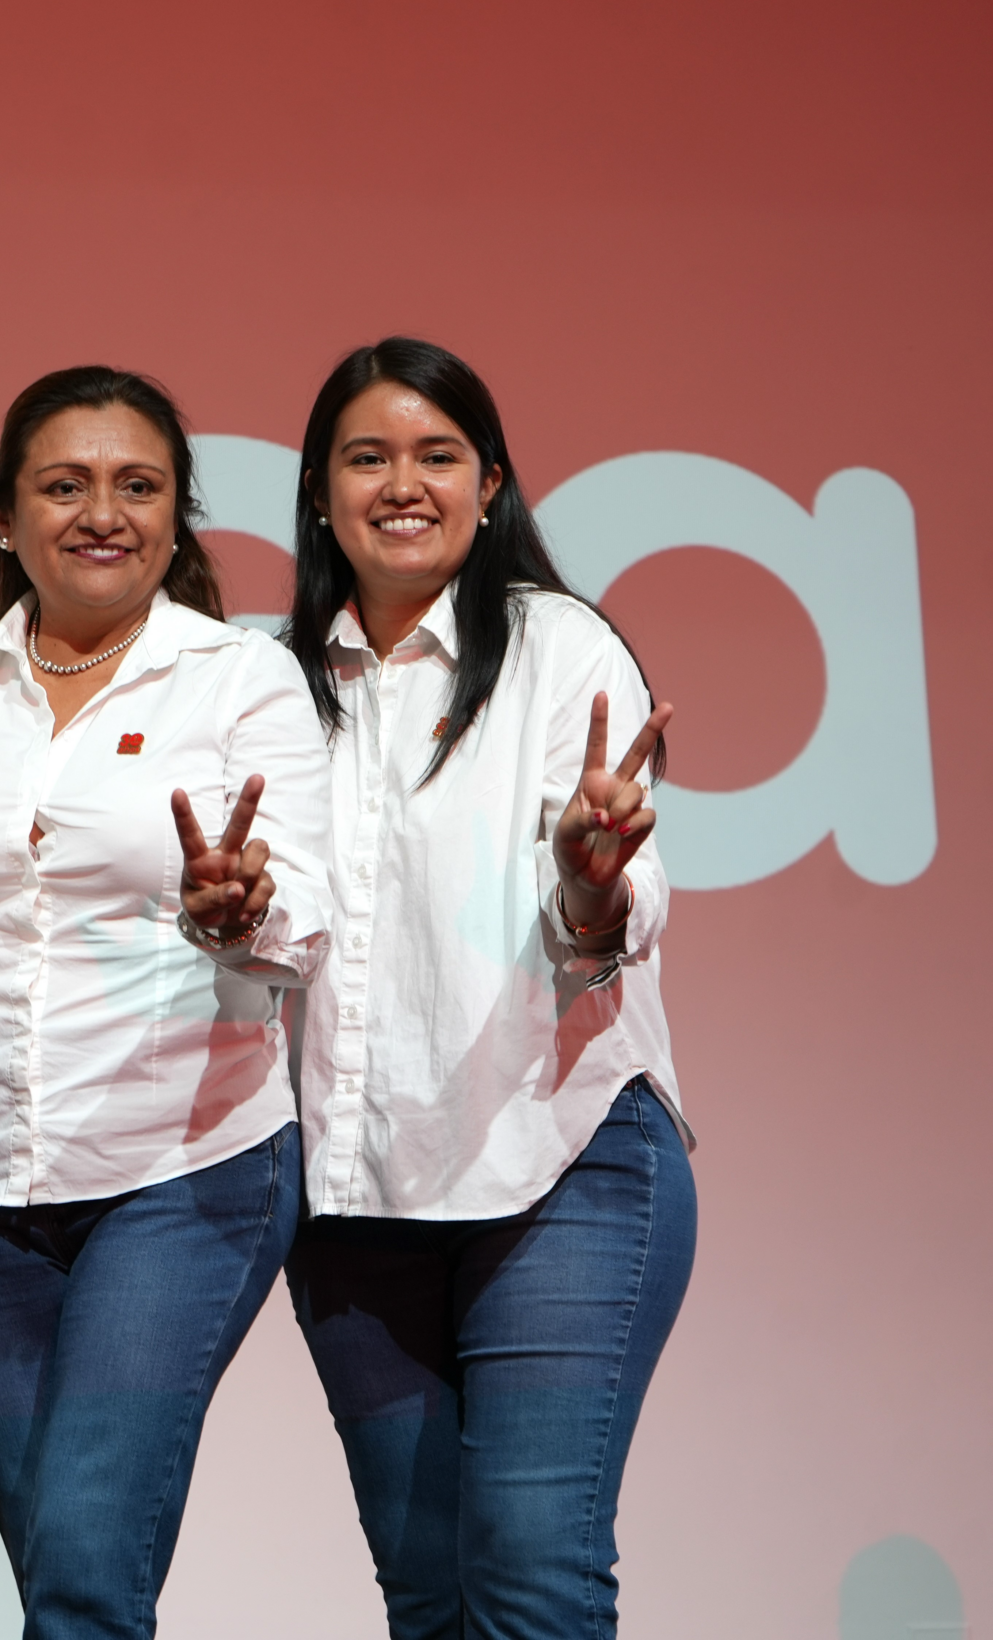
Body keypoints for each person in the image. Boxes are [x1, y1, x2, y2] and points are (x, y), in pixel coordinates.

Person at [0, 367, 332, 1639]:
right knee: (60, 1574)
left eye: (137, 485)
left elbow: (307, 916)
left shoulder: (239, 679)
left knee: (86, 1570)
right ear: (3, 516)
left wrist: (237, 912)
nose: (103, 513)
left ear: (175, 516)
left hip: (181, 1172)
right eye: (65, 484)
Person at [280, 337, 693, 1640]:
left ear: (491, 482)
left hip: (560, 1158)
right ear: (321, 493)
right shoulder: (270, 684)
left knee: (528, 1568)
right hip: (351, 1196)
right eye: (368, 457)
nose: (403, 484)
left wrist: (590, 879)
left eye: (438, 455)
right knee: (431, 1596)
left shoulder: (560, 648)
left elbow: (616, 913)